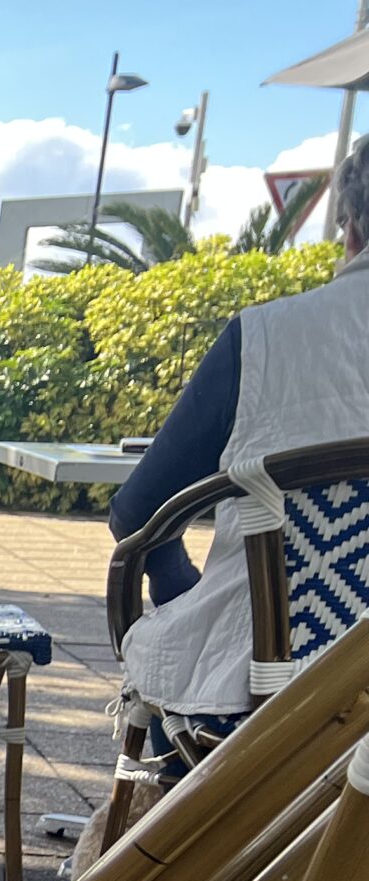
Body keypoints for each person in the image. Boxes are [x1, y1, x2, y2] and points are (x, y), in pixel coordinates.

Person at [109, 138, 369, 739]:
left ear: (351, 228)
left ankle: (176, 827)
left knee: (191, 653)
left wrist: (180, 591)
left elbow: (136, 514)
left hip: (257, 712)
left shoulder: (264, 338)